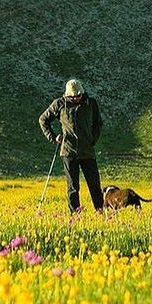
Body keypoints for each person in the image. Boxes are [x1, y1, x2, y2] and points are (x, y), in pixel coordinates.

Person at [39, 78, 104, 215]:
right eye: (73, 96)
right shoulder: (59, 104)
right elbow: (43, 120)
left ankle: (100, 212)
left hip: (87, 151)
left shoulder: (90, 103)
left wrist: (93, 139)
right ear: (68, 95)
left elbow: (98, 123)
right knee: (73, 187)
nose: (76, 98)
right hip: (69, 151)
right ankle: (75, 215)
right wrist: (53, 136)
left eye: (78, 95)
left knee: (94, 185)